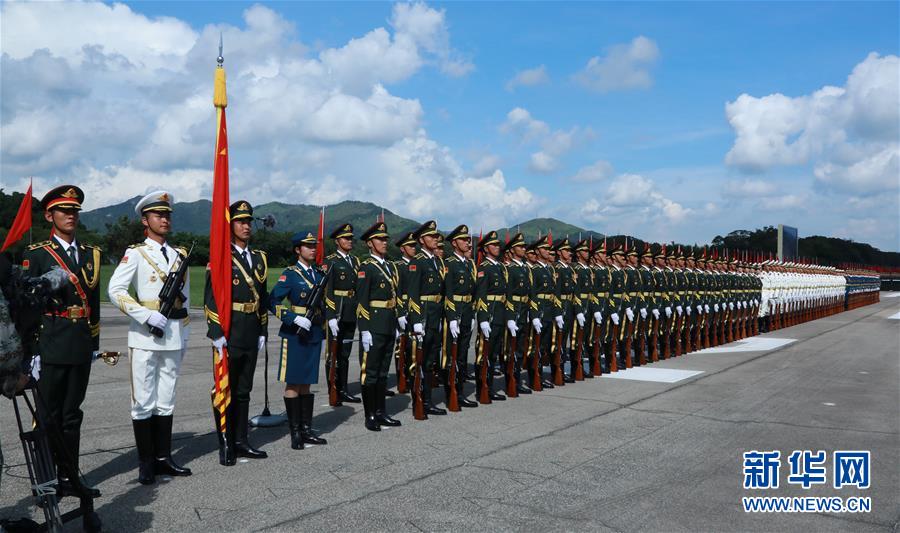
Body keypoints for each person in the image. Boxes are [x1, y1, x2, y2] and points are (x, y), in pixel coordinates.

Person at [22, 185, 102, 497]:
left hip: (80, 344)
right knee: (47, 416)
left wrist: (93, 344)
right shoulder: (37, 255)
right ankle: (46, 483)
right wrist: (31, 351)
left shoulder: (91, 255)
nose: (70, 215)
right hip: (51, 344)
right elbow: (27, 307)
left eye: (74, 211)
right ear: (50, 215)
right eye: (64, 210)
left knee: (72, 416)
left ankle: (69, 477)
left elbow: (92, 305)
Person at [108, 191, 191, 485]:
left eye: (167, 215)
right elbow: (115, 291)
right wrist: (144, 315)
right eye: (159, 215)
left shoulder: (180, 254)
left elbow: (185, 303)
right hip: (145, 335)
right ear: (145, 220)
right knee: (143, 402)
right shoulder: (136, 253)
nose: (165, 219)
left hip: (173, 335)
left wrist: (185, 335)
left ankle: (163, 458)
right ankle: (146, 463)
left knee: (166, 400)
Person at [203, 200, 269, 465]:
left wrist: (263, 328)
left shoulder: (260, 258)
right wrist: (216, 331)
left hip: (251, 330)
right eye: (240, 221)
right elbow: (210, 298)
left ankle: (242, 440)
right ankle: (226, 442)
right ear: (230, 226)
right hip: (229, 330)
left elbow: (262, 297)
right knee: (224, 389)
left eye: (249, 221)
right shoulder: (221, 257)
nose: (246, 226)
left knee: (244, 390)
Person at [268, 231, 329, 449]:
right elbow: (273, 300)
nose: (313, 249)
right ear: (297, 250)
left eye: (314, 245)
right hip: (295, 333)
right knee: (294, 381)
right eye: (307, 246)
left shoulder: (319, 275)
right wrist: (293, 318)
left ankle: (306, 429)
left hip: (313, 331)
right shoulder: (290, 274)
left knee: (306, 382)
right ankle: (295, 432)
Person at [354, 222, 403, 430]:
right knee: (371, 372)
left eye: (385, 239)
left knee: (383, 370)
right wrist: (364, 328)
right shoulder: (366, 267)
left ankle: (382, 412)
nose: (384, 242)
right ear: (369, 243)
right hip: (373, 325)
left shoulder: (391, 266)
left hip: (389, 323)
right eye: (380, 239)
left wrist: (399, 318)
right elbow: (361, 301)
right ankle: (370, 415)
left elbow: (396, 296)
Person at [406, 220, 447, 416]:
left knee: (431, 360)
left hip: (435, 315)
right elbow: (412, 293)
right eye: (432, 236)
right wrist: (415, 320)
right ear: (422, 240)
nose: (436, 239)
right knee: (419, 360)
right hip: (422, 316)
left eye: (436, 236)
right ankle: (419, 401)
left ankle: (428, 400)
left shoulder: (436, 261)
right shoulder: (417, 262)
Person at [324, 223, 361, 405]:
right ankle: (333, 387)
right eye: (346, 238)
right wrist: (330, 316)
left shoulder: (355, 261)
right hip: (337, 311)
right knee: (333, 352)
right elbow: (328, 291)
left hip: (350, 311)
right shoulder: (330, 261)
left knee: (345, 353)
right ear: (338, 241)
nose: (349, 241)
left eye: (351, 238)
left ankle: (344, 388)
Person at [442, 225, 478, 408]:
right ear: (455, 243)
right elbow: (448, 293)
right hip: (454, 314)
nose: (468, 242)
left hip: (466, 313)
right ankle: (451, 393)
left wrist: (471, 314)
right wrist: (452, 317)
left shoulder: (468, 264)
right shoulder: (449, 264)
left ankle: (460, 391)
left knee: (463, 354)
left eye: (468, 240)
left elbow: (473, 291)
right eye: (464, 240)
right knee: (451, 355)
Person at [474, 230, 510, 402]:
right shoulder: (484, 268)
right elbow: (480, 296)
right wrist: (482, 319)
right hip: (490, 314)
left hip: (500, 314)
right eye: (494, 245)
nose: (497, 247)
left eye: (498, 245)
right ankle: (482, 388)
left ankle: (490, 386)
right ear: (486, 249)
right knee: (484, 353)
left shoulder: (501, 267)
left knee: (494, 353)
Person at [503, 233, 533, 394]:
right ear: (513, 250)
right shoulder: (510, 269)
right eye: (520, 247)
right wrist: (510, 317)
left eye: (523, 246)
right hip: (513, 312)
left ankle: (517, 379)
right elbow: (507, 294)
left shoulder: (525, 268)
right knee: (511, 348)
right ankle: (510, 381)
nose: (523, 249)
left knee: (520, 347)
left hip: (523, 311)